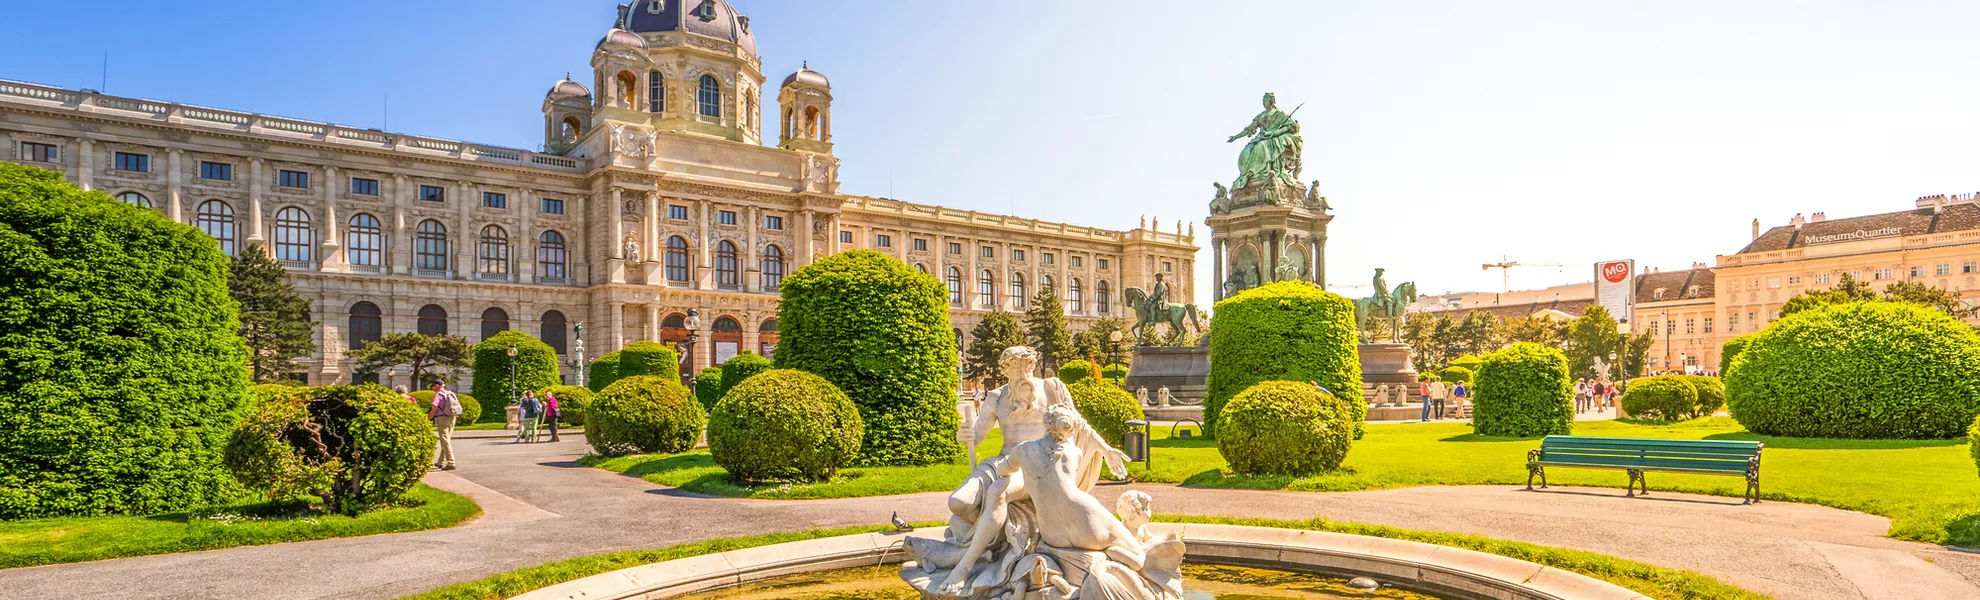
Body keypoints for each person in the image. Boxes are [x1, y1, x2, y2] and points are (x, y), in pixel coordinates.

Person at [428, 381, 459, 470]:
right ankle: (440, 462)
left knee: (444, 440)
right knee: (446, 440)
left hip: (442, 418)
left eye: (433, 386)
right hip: (452, 417)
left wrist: (428, 419)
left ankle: (451, 462)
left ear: (437, 386)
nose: (432, 388)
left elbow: (434, 408)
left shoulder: (438, 395)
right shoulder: (450, 393)